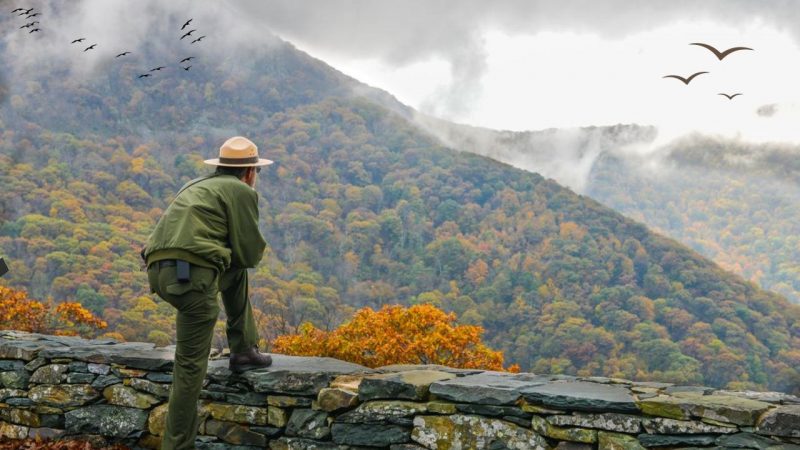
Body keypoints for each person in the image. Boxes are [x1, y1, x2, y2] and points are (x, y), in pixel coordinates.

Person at [143, 136, 274, 450]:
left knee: (233, 270)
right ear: (250, 172)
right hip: (191, 276)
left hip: (160, 270)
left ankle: (243, 349)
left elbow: (235, 262)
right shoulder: (241, 191)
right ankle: (177, 446)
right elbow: (249, 252)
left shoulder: (195, 185)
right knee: (189, 367)